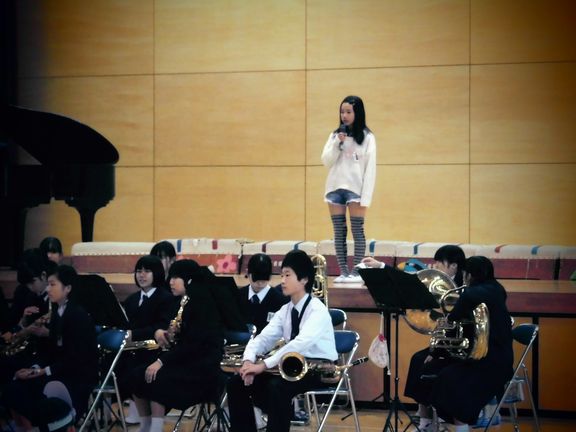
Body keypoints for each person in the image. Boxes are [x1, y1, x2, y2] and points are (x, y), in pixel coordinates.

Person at [227, 250, 338, 432]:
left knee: (276, 388)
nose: (283, 281)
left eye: (288, 275)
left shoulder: (317, 310)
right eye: (282, 275)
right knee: (236, 383)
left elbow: (299, 344)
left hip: (318, 369)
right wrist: (248, 361)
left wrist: (262, 366)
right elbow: (263, 338)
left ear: (304, 279)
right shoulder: (285, 310)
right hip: (290, 367)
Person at [403, 256, 514, 432]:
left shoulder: (472, 294)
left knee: (449, 378)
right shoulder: (497, 289)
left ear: (468, 274)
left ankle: (457, 426)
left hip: (488, 359)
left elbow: (451, 321)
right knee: (420, 360)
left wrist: (435, 351)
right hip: (480, 352)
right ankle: (427, 423)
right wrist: (434, 351)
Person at [363, 244, 467, 429]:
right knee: (418, 359)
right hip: (442, 342)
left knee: (426, 364)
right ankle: (425, 419)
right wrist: (380, 266)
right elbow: (407, 281)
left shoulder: (462, 289)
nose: (435, 266)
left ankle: (436, 417)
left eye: (440, 263)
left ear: (454, 266)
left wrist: (435, 352)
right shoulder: (436, 281)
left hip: (458, 346)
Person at [128, 259, 225, 432]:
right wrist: (167, 335)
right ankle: (145, 425)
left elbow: (193, 345)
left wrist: (161, 361)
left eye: (175, 278)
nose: (170, 282)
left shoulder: (203, 304)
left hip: (201, 366)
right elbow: (181, 339)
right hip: (183, 360)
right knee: (136, 374)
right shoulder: (180, 302)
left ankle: (156, 428)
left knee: (156, 377)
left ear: (188, 280)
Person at [1, 264, 99, 428]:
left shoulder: (78, 316)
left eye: (52, 284)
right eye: (48, 284)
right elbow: (49, 351)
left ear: (68, 288)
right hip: (58, 370)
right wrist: (34, 368)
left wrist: (44, 371)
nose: (48, 289)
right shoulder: (57, 313)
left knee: (31, 395)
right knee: (13, 387)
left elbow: (76, 359)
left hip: (76, 377)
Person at [322, 95, 377, 283]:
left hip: (356, 190)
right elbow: (326, 161)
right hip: (334, 188)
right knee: (339, 232)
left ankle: (357, 272)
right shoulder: (335, 135)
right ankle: (344, 272)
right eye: (342, 112)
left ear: (357, 113)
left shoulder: (368, 137)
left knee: (357, 230)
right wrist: (337, 143)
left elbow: (370, 169)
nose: (344, 115)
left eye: (348, 112)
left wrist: (366, 196)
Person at [117, 255, 176, 422]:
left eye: (147, 271)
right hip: (133, 351)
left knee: (147, 375)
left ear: (156, 273)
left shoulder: (166, 298)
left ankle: (154, 424)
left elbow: (162, 326)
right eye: (138, 271)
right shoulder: (131, 300)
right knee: (122, 368)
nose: (141, 275)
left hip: (155, 351)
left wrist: (134, 334)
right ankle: (142, 420)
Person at [238, 253, 289, 334]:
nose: (260, 283)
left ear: (270, 276)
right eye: (256, 278)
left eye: (264, 278)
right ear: (247, 273)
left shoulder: (282, 301)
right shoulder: (237, 296)